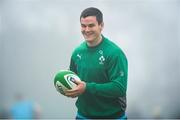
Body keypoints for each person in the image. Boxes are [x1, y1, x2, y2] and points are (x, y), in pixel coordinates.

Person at [65, 7, 128, 119]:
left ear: (101, 25)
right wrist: (65, 85)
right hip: (83, 116)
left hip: (113, 116)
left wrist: (87, 87)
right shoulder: (77, 53)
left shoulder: (114, 53)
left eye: (91, 25)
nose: (87, 30)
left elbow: (119, 88)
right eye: (83, 26)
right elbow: (73, 80)